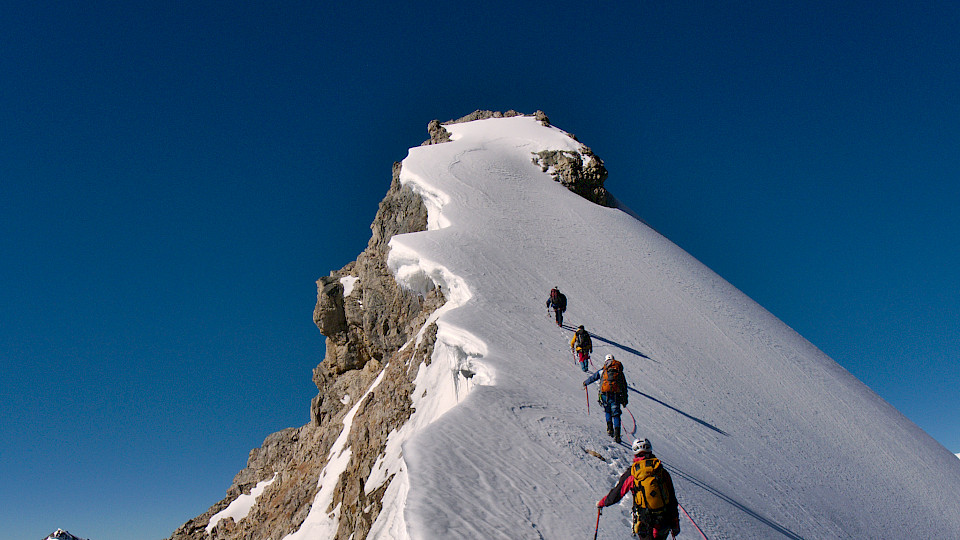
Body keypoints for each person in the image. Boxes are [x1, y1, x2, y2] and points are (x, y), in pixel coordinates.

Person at [595, 438, 680, 540]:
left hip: (645, 522)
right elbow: (672, 499)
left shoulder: (633, 473)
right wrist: (675, 523)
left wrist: (602, 503)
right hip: (664, 521)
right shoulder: (661, 471)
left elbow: (617, 493)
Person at [583, 354, 628, 442]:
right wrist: (624, 399)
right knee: (616, 414)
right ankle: (617, 435)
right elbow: (624, 386)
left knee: (607, 411)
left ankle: (609, 429)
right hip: (616, 396)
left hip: (604, 395)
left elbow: (593, 377)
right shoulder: (619, 372)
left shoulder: (603, 370)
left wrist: (585, 383)